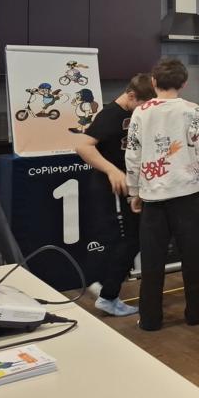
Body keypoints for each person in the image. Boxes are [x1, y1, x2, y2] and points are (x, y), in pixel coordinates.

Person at [125, 58, 199, 332]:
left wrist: (134, 190)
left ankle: (150, 319)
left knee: (152, 261)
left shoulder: (141, 112)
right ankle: (196, 314)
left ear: (153, 82)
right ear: (184, 83)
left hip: (153, 194)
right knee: (192, 256)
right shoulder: (192, 110)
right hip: (187, 192)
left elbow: (133, 154)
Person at [76, 73, 156, 317]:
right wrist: (112, 171)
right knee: (128, 240)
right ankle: (108, 296)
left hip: (130, 186)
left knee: (131, 239)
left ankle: (104, 286)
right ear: (131, 96)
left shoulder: (134, 113)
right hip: (112, 187)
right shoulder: (111, 114)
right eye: (142, 105)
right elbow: (82, 145)